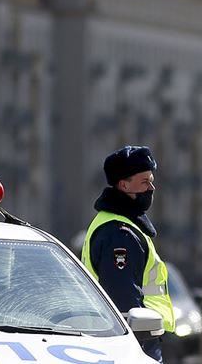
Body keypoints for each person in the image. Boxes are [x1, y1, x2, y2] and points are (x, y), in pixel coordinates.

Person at [81, 145, 175, 363]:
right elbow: (124, 303)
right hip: (136, 342)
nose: (151, 188)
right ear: (123, 185)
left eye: (151, 181)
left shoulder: (121, 225)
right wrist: (136, 345)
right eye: (144, 182)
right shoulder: (120, 234)